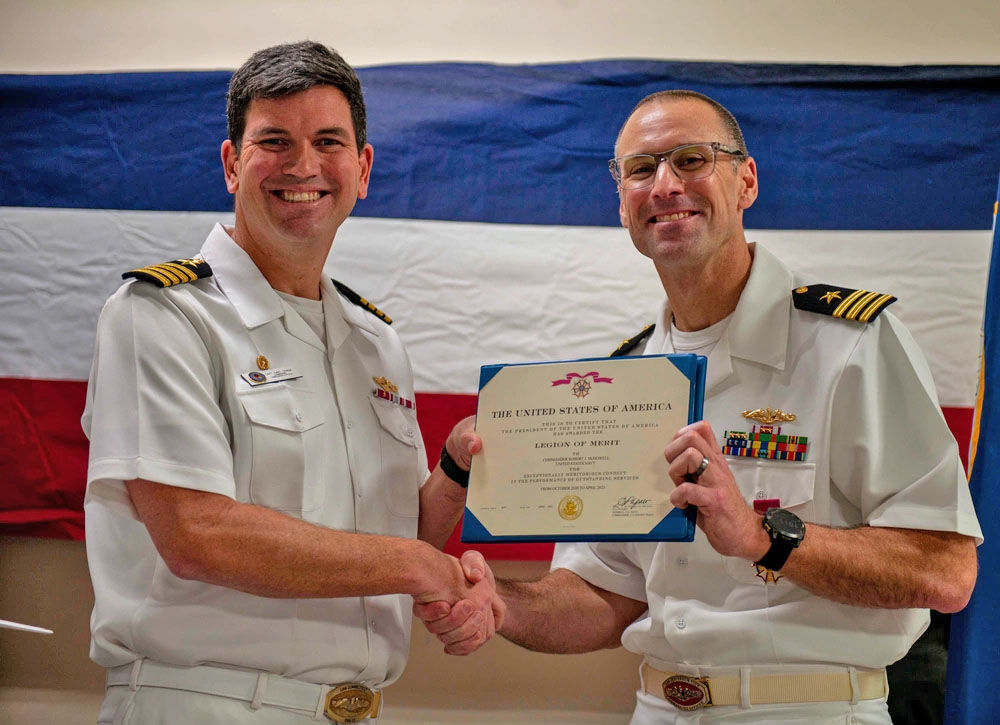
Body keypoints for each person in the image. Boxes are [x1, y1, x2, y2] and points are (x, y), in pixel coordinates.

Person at [417, 90, 982, 724]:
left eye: (691, 159)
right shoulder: (624, 379)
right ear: (622, 202)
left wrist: (763, 539)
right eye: (640, 168)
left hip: (809, 709)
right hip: (658, 707)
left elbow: (946, 571)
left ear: (746, 181)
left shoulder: (851, 344)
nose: (664, 185)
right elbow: (607, 594)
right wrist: (501, 603)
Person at [81, 41, 501, 724]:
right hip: (206, 702)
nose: (303, 165)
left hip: (359, 709)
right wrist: (420, 567)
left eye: (328, 141)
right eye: (274, 141)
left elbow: (388, 533)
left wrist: (455, 467)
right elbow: (197, 533)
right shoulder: (162, 315)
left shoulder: (377, 343)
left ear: (362, 169)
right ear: (231, 164)